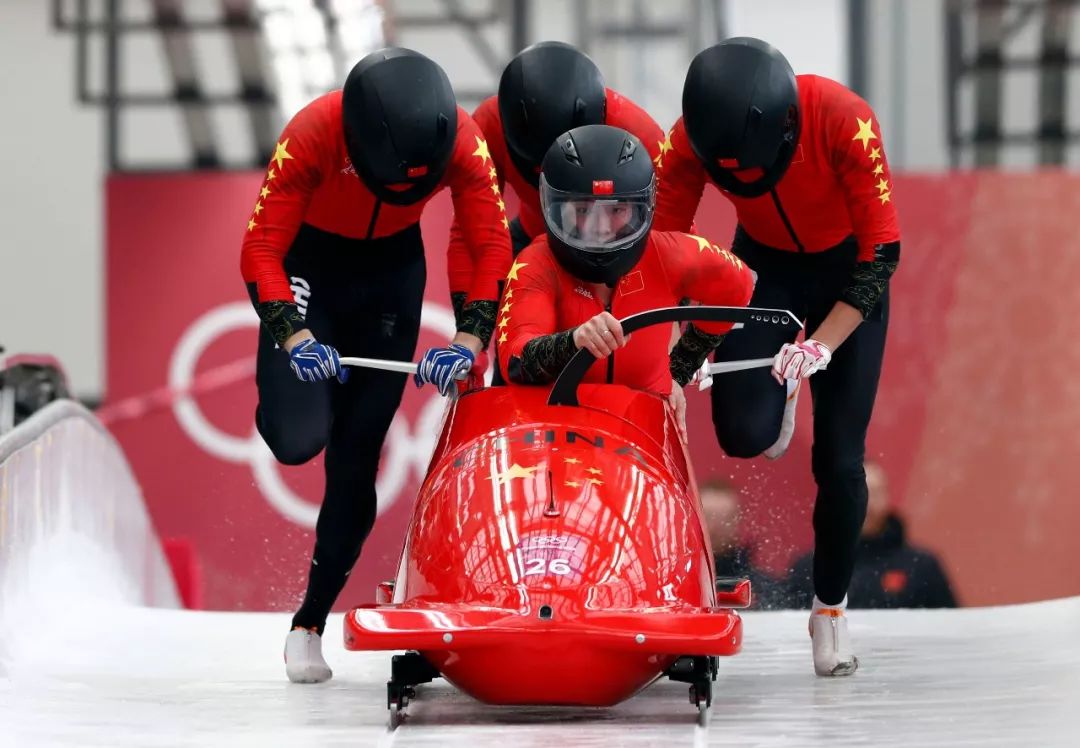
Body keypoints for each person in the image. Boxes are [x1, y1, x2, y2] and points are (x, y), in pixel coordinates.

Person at [239, 47, 512, 683]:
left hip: (390, 278)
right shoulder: (311, 132)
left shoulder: (463, 144)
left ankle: (309, 620)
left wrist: (470, 340)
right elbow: (260, 247)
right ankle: (282, 393)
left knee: (357, 453)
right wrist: (291, 332)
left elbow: (491, 244)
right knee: (296, 438)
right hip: (312, 268)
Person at [653, 37, 901, 676]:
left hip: (850, 277)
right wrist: (683, 346)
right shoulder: (687, 141)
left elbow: (881, 256)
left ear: (787, 125)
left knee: (839, 457)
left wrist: (823, 344)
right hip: (763, 269)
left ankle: (829, 613)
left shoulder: (845, 119)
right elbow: (663, 253)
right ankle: (779, 392)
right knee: (741, 435)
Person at [497, 124, 754, 419]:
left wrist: (681, 368)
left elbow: (737, 284)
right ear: (555, 208)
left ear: (641, 208)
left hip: (644, 429)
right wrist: (573, 341)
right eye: (582, 210)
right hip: (554, 429)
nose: (601, 228)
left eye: (616, 210)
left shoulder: (669, 254)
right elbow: (515, 359)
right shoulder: (536, 263)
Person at [788, 462, 957, 609]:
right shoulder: (810, 568)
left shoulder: (921, 567)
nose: (866, 502)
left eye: (875, 493)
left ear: (887, 497)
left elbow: (948, 628)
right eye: (856, 492)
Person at [699, 477, 783, 610]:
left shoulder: (759, 588)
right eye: (708, 517)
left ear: (737, 521)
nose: (714, 527)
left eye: (723, 519)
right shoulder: (678, 582)